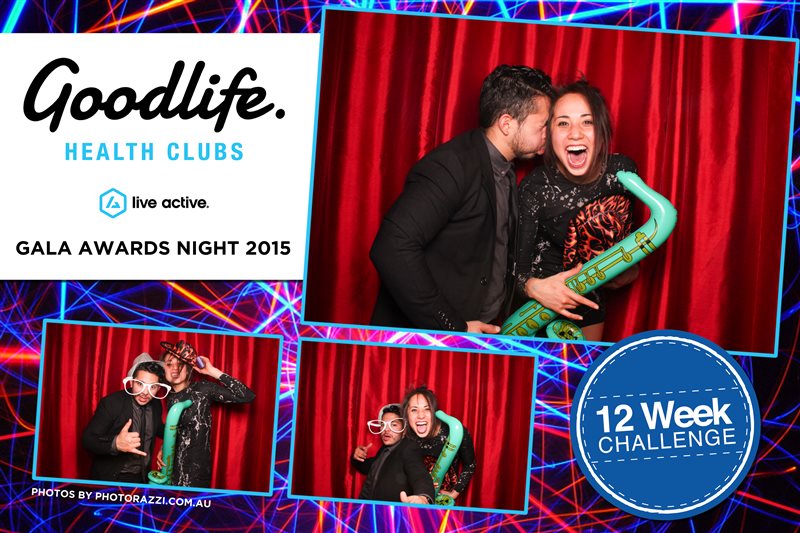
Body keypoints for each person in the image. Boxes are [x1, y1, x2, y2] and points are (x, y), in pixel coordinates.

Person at [370, 65, 554, 333]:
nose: (548, 133)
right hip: (430, 340)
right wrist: (453, 329)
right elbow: (391, 246)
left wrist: (530, 286)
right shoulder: (452, 165)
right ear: (506, 124)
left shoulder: (506, 170)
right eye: (543, 125)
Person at [516, 79, 639, 341]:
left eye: (587, 121)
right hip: (534, 311)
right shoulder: (535, 187)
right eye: (563, 123)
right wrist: (533, 287)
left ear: (602, 130)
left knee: (583, 367)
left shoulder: (622, 173)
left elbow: (628, 246)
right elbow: (513, 270)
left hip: (589, 306)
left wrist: (629, 269)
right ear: (549, 134)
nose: (575, 134)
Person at [158, 339, 255, 488]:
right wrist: (164, 447)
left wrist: (211, 371)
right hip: (172, 473)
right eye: (169, 364)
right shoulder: (169, 396)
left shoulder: (202, 389)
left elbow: (247, 396)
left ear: (188, 368)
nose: (175, 368)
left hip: (196, 475)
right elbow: (178, 430)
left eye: (180, 363)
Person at [82, 353, 169, 483]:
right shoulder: (111, 403)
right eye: (140, 384)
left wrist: (168, 441)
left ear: (158, 388)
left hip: (142, 478)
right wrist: (115, 444)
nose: (145, 392)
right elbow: (88, 440)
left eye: (153, 387)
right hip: (113, 479)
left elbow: (157, 428)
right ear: (132, 381)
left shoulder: (156, 404)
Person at [402, 386, 476, 501]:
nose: (421, 415)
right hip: (416, 498)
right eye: (414, 410)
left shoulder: (454, 432)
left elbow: (470, 465)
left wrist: (454, 493)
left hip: (443, 501)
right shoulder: (406, 436)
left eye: (427, 409)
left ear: (434, 412)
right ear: (407, 415)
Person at [351, 404, 435, 504]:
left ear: (404, 430)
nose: (386, 430)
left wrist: (424, 497)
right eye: (383, 425)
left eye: (394, 425)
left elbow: (419, 475)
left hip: (389, 512)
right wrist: (357, 456)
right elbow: (369, 468)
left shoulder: (409, 448)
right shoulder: (384, 449)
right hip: (368, 509)